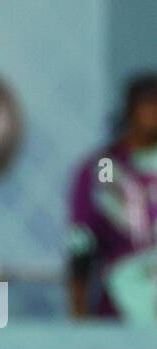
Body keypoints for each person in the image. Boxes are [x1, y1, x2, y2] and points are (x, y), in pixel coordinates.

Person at [68, 73, 157, 323]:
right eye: (149, 103)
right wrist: (78, 314)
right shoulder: (105, 167)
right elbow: (81, 240)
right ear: (131, 109)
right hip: (121, 307)